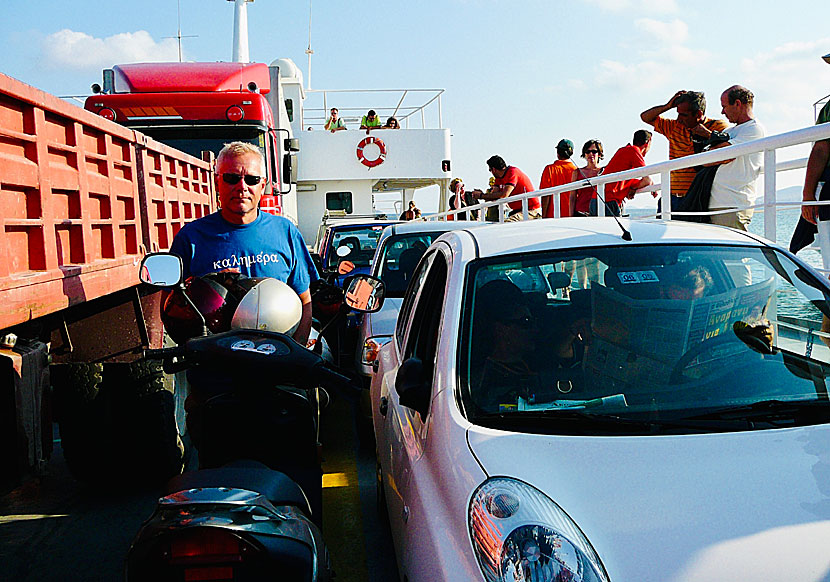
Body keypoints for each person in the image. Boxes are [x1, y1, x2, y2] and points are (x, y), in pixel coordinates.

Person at [169, 141, 318, 345]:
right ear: (217, 181)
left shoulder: (286, 231)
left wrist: (296, 351)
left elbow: (305, 300)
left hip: (276, 362)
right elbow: (173, 306)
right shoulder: (191, 238)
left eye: (251, 179)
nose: (242, 187)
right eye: (231, 178)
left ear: (263, 183)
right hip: (216, 365)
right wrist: (210, 285)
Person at [640, 91, 730, 212]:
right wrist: (667, 106)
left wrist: (708, 135)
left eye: (683, 115)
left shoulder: (716, 126)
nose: (679, 119)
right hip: (670, 197)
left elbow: (728, 150)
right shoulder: (674, 127)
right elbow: (645, 117)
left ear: (698, 113)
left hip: (696, 197)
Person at [706, 85, 766, 231]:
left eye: (724, 106)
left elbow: (721, 153)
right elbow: (705, 159)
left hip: (733, 203)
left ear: (738, 104)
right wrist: (720, 154)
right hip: (715, 203)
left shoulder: (754, 129)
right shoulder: (729, 130)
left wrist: (720, 152)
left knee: (731, 252)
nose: (722, 112)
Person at [594, 129, 654, 216]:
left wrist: (633, 186)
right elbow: (647, 180)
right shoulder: (634, 151)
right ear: (648, 142)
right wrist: (634, 188)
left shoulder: (623, 150)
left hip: (596, 199)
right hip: (608, 201)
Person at [478, 155, 542, 221]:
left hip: (531, 210)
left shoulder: (513, 172)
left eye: (490, 170)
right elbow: (493, 195)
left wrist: (481, 196)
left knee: (507, 224)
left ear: (494, 169)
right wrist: (482, 195)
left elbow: (504, 195)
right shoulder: (498, 178)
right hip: (518, 211)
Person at [540, 139, 578, 218]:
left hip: (553, 216)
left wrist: (543, 216)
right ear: (571, 153)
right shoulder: (576, 170)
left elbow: (545, 195)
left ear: (557, 153)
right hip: (572, 217)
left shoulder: (549, 169)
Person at [567, 140, 604, 217]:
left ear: (599, 154)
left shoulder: (604, 172)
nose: (591, 154)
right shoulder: (577, 172)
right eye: (587, 152)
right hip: (580, 213)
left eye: (594, 151)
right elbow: (572, 196)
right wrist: (571, 216)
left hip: (599, 213)